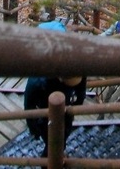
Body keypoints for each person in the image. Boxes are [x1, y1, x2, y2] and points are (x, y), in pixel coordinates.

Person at [24, 22, 86, 156]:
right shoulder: (38, 79)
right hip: (45, 108)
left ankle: (55, 155)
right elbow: (28, 104)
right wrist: (33, 127)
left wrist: (76, 105)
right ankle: (51, 159)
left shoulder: (79, 64)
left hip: (65, 105)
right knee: (52, 139)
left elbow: (81, 89)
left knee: (63, 135)